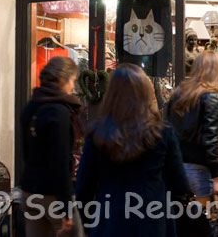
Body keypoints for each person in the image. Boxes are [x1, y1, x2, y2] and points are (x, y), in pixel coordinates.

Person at [75, 63, 190, 237]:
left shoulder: (98, 134)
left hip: (110, 221)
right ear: (145, 94)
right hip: (152, 220)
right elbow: (179, 184)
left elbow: (84, 188)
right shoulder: (162, 133)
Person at [20, 56, 84, 237]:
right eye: (72, 80)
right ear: (62, 79)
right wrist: (67, 208)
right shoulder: (59, 112)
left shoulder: (31, 107)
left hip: (30, 192)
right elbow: (60, 162)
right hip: (53, 196)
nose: (73, 87)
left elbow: (26, 153)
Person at [166, 50, 218, 206]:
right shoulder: (211, 96)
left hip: (175, 165)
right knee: (203, 223)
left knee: (180, 221)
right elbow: (211, 138)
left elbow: (167, 128)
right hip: (198, 168)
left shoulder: (178, 94)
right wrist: (217, 177)